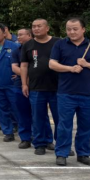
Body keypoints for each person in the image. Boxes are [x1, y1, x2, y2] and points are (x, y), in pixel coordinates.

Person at [49, 18, 90, 166]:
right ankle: (62, 153)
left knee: (87, 125)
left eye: (75, 29)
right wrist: (70, 68)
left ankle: (83, 154)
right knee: (64, 125)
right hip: (66, 93)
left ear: (83, 29)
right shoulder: (60, 44)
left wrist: (86, 64)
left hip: (88, 94)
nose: (72, 32)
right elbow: (52, 64)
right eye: (69, 29)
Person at [20, 19, 60, 156]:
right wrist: (24, 84)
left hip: (57, 87)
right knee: (38, 118)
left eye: (39, 26)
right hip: (36, 88)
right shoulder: (28, 45)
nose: (36, 29)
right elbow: (24, 65)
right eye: (33, 26)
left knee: (60, 118)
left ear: (47, 28)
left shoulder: (58, 42)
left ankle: (62, 144)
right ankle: (40, 144)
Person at [11, 29, 34, 149]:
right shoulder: (16, 51)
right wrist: (27, 75)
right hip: (20, 84)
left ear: (29, 35)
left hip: (38, 85)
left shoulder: (37, 48)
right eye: (18, 35)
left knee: (39, 113)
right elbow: (14, 67)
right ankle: (25, 138)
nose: (18, 37)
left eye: (21, 35)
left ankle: (43, 138)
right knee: (22, 113)